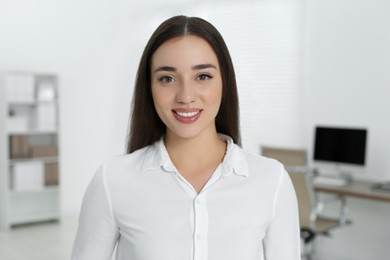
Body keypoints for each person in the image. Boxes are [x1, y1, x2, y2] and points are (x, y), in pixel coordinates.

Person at [71, 15, 301, 260]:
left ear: (225, 83)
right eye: (167, 79)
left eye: (202, 76)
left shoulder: (271, 181)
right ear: (149, 87)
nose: (186, 96)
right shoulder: (113, 180)